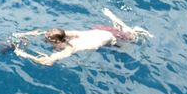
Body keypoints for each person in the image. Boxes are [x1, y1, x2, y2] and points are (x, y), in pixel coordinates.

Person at [8, 8, 152, 66]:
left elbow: (48, 61)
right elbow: (46, 32)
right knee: (119, 30)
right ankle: (112, 17)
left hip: (113, 40)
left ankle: (118, 20)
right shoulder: (70, 34)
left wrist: (22, 54)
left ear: (57, 42)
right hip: (101, 31)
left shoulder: (70, 49)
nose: (47, 41)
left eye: (49, 41)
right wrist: (25, 34)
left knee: (132, 37)